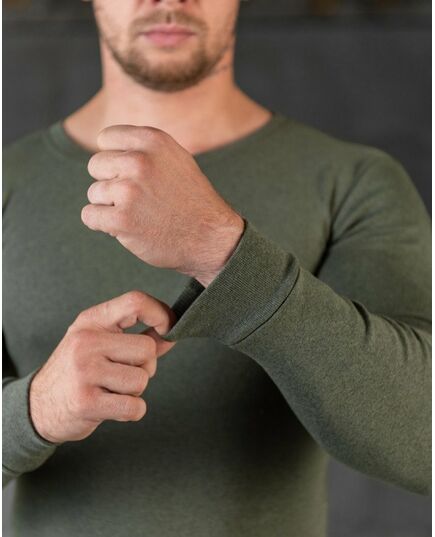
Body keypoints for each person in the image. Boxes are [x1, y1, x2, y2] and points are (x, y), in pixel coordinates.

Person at [2, 0, 431, 536]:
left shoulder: (354, 182)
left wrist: (220, 249)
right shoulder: (8, 183)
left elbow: (425, 441)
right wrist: (36, 408)